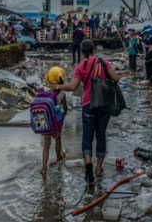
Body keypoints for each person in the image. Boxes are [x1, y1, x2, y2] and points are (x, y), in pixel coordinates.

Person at [50, 39, 121, 184]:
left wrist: (56, 87)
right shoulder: (103, 62)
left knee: (87, 136)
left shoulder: (80, 66)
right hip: (104, 105)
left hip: (88, 104)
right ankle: (99, 168)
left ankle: (88, 164)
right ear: (94, 50)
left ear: (82, 52)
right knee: (101, 135)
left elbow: (72, 87)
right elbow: (116, 78)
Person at [40, 67, 68, 176]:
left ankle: (43, 168)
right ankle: (58, 157)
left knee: (46, 145)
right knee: (57, 139)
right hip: (56, 122)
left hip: (46, 121)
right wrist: (64, 114)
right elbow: (65, 108)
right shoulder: (61, 93)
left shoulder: (44, 90)